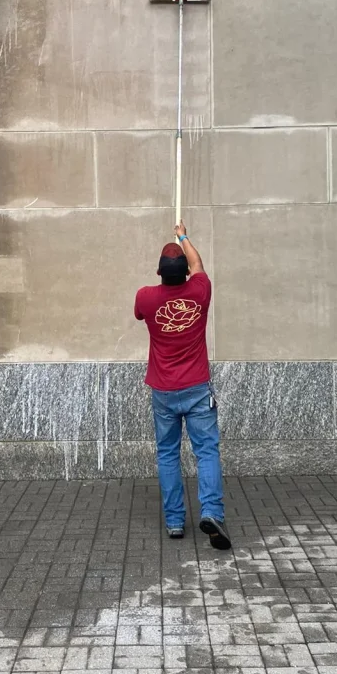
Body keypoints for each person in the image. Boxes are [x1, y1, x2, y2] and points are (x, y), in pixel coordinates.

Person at [134, 221, 231, 551]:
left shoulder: (146, 298)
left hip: (163, 390)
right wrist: (184, 236)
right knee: (206, 451)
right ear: (185, 272)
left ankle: (175, 521)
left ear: (159, 273)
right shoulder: (200, 291)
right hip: (197, 388)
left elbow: (137, 315)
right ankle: (212, 513)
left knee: (168, 454)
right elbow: (199, 265)